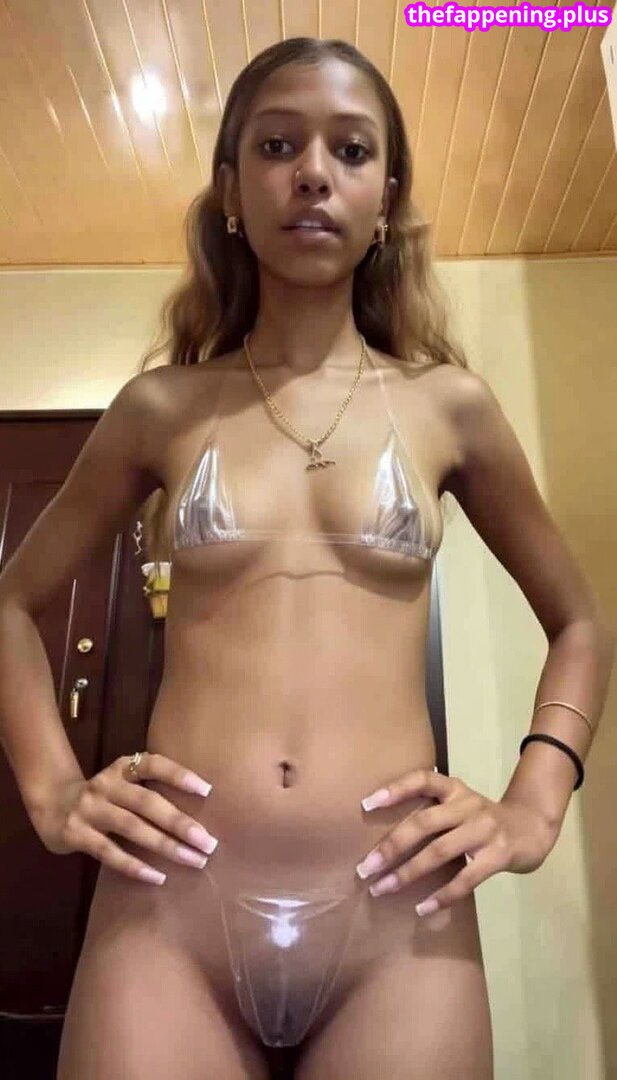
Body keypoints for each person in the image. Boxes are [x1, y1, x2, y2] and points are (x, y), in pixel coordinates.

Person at [0, 35, 613, 1080]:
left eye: (351, 149)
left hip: (397, 919)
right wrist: (54, 793)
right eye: (278, 145)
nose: (314, 173)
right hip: (169, 914)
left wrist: (534, 801)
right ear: (231, 193)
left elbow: (579, 621)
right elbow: (11, 603)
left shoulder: (448, 407)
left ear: (386, 199)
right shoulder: (160, 408)